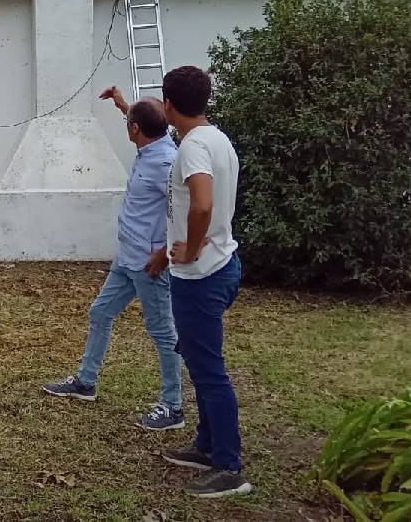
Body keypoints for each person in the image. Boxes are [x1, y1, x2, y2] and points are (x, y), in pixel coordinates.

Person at [42, 87, 184, 430]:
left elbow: (183, 208)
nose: (128, 124)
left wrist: (164, 253)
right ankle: (86, 382)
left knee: (163, 332)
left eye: (129, 120)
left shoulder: (166, 162)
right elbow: (144, 122)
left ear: (136, 130)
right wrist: (124, 106)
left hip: (149, 263)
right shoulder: (151, 144)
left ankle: (173, 406)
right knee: (101, 312)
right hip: (127, 257)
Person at [157, 66, 251, 498]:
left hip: (202, 273)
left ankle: (229, 467)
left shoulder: (193, 146)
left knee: (209, 372)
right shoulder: (217, 138)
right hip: (221, 264)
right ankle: (207, 445)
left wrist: (191, 249)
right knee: (199, 361)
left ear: (169, 104)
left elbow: (201, 206)